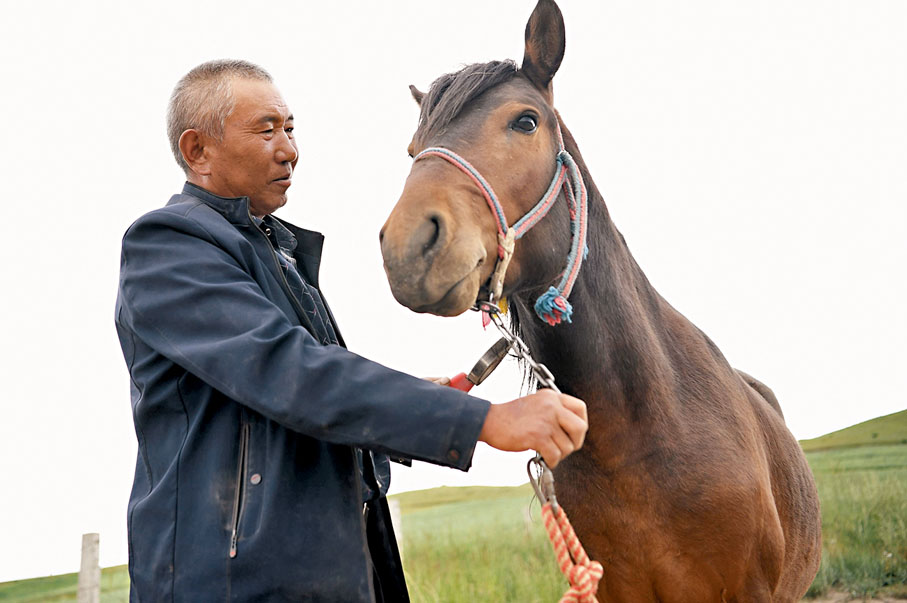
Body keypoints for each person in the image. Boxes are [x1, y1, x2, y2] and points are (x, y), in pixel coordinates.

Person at [114, 58, 588, 602]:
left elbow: (304, 405)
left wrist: (418, 400)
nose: (289, 149)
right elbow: (293, 374)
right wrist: (483, 420)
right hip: (231, 587)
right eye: (266, 130)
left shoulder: (275, 252)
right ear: (197, 150)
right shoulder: (167, 246)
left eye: (290, 128)